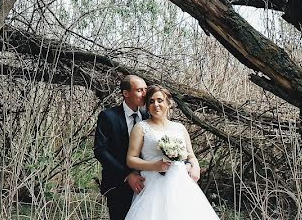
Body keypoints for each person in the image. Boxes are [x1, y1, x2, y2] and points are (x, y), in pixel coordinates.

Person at [124, 85, 220, 220]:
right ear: (146, 105)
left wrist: (196, 167)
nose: (156, 105)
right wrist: (155, 166)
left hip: (180, 183)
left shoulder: (179, 128)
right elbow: (131, 159)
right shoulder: (141, 127)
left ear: (169, 103)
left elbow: (190, 155)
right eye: (151, 101)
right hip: (153, 184)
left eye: (160, 100)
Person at [94, 75, 148, 220]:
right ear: (126, 93)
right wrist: (127, 175)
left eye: (145, 89)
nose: (144, 94)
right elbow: (100, 150)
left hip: (147, 184)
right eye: (139, 90)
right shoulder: (108, 116)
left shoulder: (148, 115)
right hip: (118, 184)